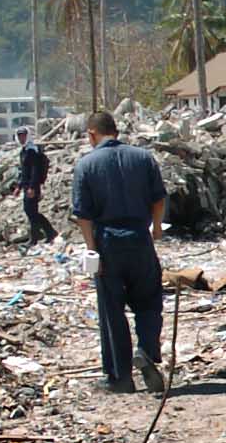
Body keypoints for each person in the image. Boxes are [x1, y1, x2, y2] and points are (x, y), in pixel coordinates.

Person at [69, 111, 168, 394]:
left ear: (91, 134)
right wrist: (156, 228)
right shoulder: (143, 157)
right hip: (140, 238)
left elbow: (82, 215)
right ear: (116, 130)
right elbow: (159, 198)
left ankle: (119, 377)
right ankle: (147, 351)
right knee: (149, 302)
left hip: (107, 242)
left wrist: (91, 250)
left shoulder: (86, 165)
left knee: (112, 310)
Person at [15, 128, 58, 244]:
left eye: (23, 136)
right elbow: (22, 171)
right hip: (26, 186)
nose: (21, 138)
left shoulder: (32, 151)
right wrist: (19, 186)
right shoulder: (23, 151)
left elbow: (35, 171)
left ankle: (36, 238)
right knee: (30, 211)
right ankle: (49, 232)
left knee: (32, 211)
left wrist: (32, 188)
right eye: (19, 136)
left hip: (32, 187)